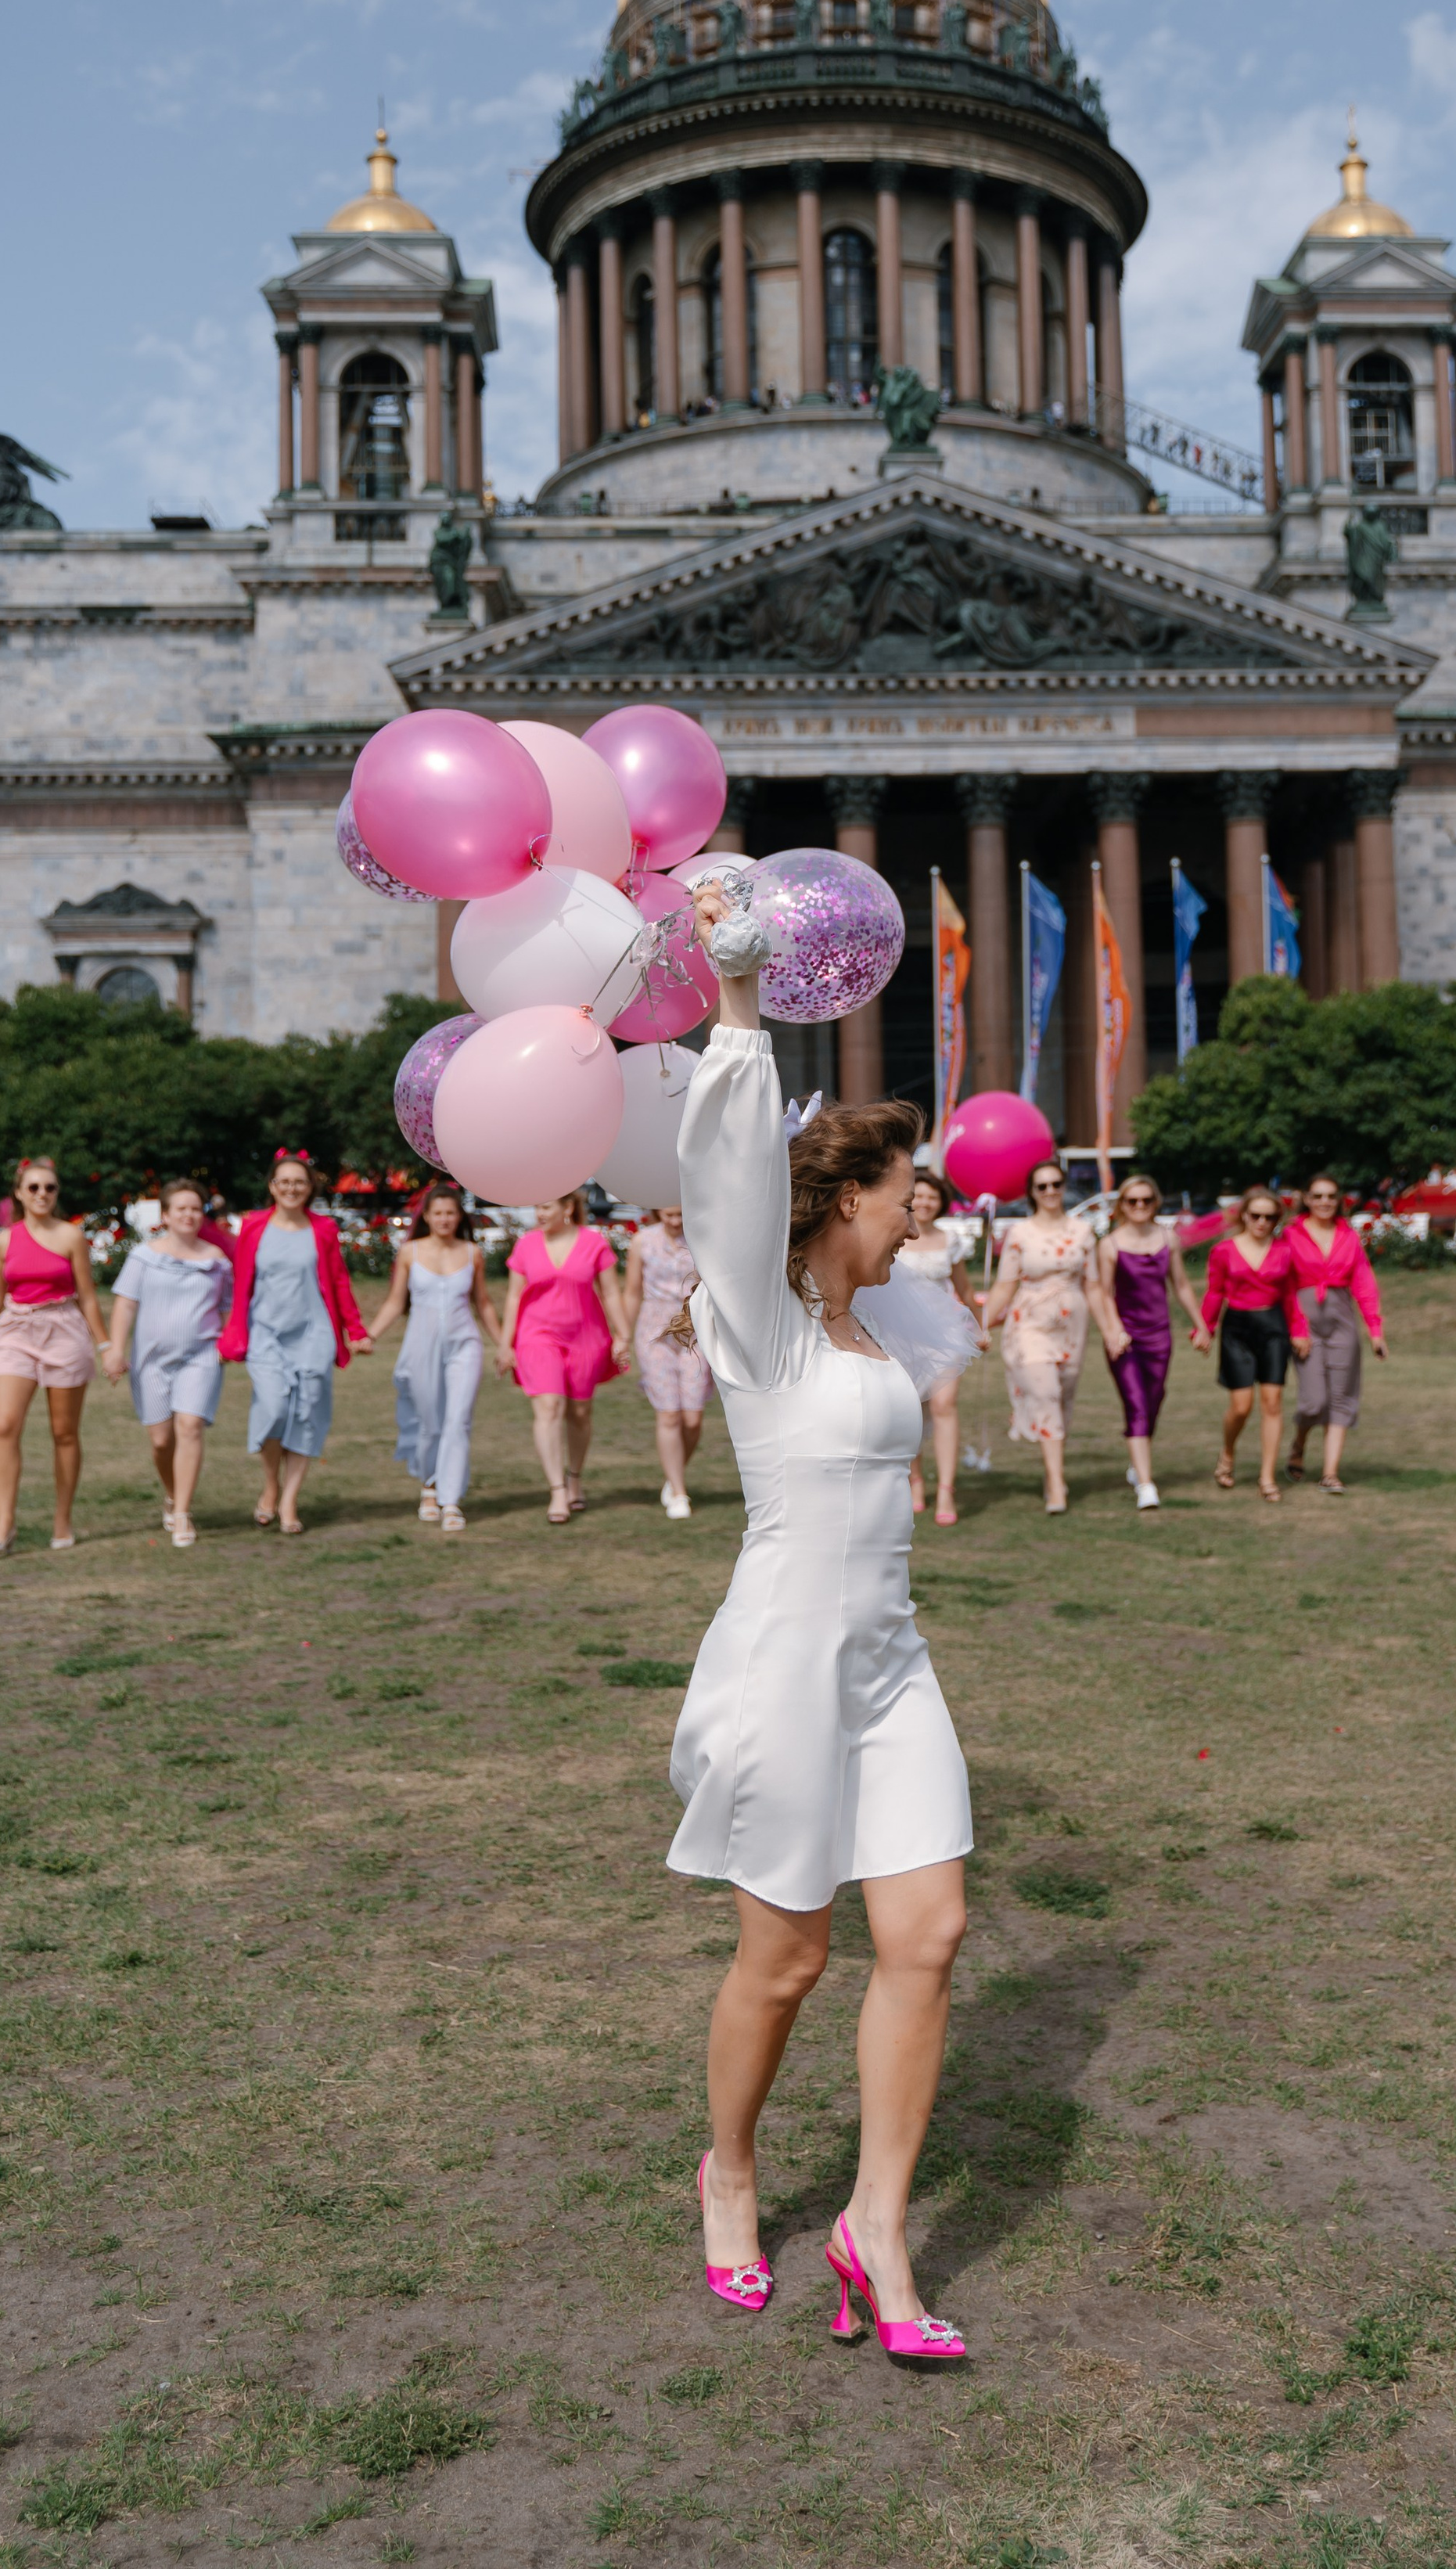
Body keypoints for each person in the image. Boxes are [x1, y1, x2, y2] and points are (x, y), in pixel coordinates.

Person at [675, 876, 971, 2365]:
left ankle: (877, 2228)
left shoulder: (884, 1323)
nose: (929, 1205)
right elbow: (730, 1184)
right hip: (786, 1664)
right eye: (909, 1185)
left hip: (891, 1661)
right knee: (787, 1962)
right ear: (848, 1193)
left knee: (930, 1930)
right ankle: (731, 2174)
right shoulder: (764, 1317)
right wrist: (738, 1005)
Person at [0, 1155, 110, 1556]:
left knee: (63, 1432)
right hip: (15, 1332)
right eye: (34, 1187)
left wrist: (106, 1346)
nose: (42, 1194)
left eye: (50, 1188)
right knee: (5, 1425)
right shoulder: (5, 1240)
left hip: (64, 1330)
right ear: (20, 1194)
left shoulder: (71, 1236)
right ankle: (4, 1524)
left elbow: (88, 1298)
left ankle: (63, 1520)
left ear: (57, 1194)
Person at [218, 1153, 369, 1534]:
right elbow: (240, 1281)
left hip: (313, 1334)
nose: (291, 1188)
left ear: (310, 1188)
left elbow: (338, 1282)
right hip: (266, 1333)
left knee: (307, 1412)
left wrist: (356, 1329)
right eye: (283, 1182)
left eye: (298, 1182)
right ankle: (271, 1486)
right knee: (273, 1408)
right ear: (272, 1186)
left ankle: (289, 1501)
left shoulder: (324, 1229)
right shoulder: (253, 1227)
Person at [980, 1157, 1121, 1516]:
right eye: (1042, 1186)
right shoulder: (1020, 1234)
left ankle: (1051, 1470)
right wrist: (980, 1323)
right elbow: (1004, 1286)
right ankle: (1057, 1485)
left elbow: (1093, 1287)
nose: (1050, 1192)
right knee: (1045, 1392)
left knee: (1062, 1398)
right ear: (1032, 1192)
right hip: (1029, 1321)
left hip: (1072, 1323)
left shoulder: (1082, 1232)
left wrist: (1110, 1330)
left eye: (1056, 1184)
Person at [102, 1179, 234, 1547]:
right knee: (162, 1441)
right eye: (181, 1209)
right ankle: (173, 1494)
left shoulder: (218, 1261)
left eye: (196, 1208)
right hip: (151, 1361)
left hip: (201, 1356)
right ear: (166, 1215)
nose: (189, 1215)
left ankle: (182, 1514)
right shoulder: (144, 1256)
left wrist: (227, 1344)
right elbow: (126, 1304)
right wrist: (115, 1350)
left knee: (190, 1426)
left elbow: (226, 1308)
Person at [365, 1183, 498, 1532]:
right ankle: (429, 1485)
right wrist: (370, 1335)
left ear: (459, 1217)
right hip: (420, 1346)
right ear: (426, 1216)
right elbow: (396, 1302)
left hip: (464, 1345)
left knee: (458, 1420)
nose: (444, 1219)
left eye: (450, 1213)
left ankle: (451, 1500)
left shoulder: (472, 1253)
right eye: (437, 1213)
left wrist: (504, 1345)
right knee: (429, 1422)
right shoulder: (410, 1252)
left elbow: (482, 1303)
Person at [502, 1192, 629, 1521]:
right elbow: (514, 1297)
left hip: (586, 1337)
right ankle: (557, 1491)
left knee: (580, 1413)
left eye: (545, 1207)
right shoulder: (526, 1245)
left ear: (567, 1207)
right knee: (549, 1407)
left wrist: (623, 1333)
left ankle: (574, 1478)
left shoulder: (594, 1243)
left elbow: (611, 1292)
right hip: (537, 1337)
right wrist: (505, 1344)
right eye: (536, 1207)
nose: (538, 1214)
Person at [1191, 1186, 1311, 1500]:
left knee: (1272, 1403)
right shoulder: (1224, 1251)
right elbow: (1215, 1292)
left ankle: (1267, 1477)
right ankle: (1227, 1452)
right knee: (1241, 1406)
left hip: (1273, 1327)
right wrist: (1204, 1329)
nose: (1262, 1222)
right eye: (1256, 1215)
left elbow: (1290, 1295)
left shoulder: (1285, 1251)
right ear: (1244, 1215)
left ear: (1277, 1220)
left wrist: (1299, 1330)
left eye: (1270, 1217)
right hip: (1238, 1328)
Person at [1095, 1173, 1202, 1511]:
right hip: (1124, 1339)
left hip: (1160, 1336)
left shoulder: (1168, 1240)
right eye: (1132, 1201)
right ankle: (1146, 1485)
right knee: (1137, 1404)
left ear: (1155, 1203)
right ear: (1122, 1206)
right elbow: (1104, 1293)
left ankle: (1137, 1463)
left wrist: (1201, 1325)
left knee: (1154, 1401)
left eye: (1146, 1200)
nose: (1139, 1206)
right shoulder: (1109, 1245)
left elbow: (1181, 1285)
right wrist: (1114, 1330)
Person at [1285, 1175, 1386, 1492]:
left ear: (1338, 1199)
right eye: (1318, 1196)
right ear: (1307, 1199)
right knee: (1314, 1402)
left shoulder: (1349, 1236)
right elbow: (1285, 1285)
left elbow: (1364, 1283)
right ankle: (1299, 1443)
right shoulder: (1291, 1234)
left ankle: (1330, 1474)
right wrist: (1297, 1328)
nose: (1325, 1202)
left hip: (1342, 1322)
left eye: (1331, 1196)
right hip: (1305, 1322)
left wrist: (1375, 1331)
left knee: (1342, 1399)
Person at [894, 1172, 980, 1527]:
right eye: (920, 1197)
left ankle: (946, 1488)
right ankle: (916, 1480)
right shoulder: (896, 1236)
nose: (926, 1203)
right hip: (901, 1335)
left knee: (945, 1406)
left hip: (945, 1335)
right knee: (911, 1410)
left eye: (933, 1197)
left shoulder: (951, 1240)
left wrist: (981, 1325)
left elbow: (965, 1289)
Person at [623, 1204, 712, 1519]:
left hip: (694, 1331)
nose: (675, 1221)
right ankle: (678, 1490)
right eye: (668, 1214)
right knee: (669, 1414)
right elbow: (633, 1291)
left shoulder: (703, 1238)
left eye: (680, 1214)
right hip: (655, 1332)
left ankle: (674, 1473)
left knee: (692, 1417)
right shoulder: (642, 1242)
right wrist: (622, 1334)